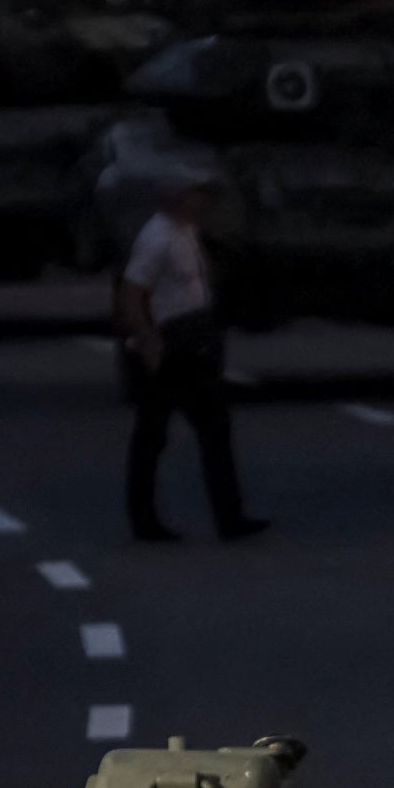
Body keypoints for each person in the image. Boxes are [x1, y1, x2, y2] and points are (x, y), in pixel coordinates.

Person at [115, 174, 265, 544]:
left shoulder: (186, 231)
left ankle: (230, 517)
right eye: (198, 194)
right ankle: (145, 520)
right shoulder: (158, 238)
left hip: (196, 343)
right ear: (179, 196)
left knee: (214, 431)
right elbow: (133, 294)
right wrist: (148, 342)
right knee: (153, 436)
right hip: (172, 347)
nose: (204, 201)